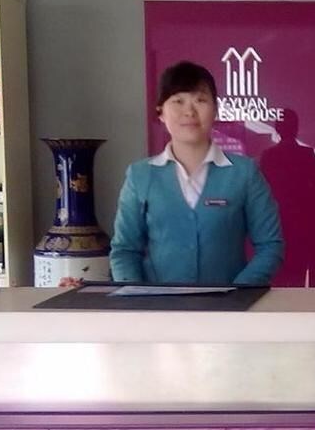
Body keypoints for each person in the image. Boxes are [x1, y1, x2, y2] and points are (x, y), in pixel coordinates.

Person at [110, 61, 284, 285]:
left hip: (231, 304)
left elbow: (270, 246)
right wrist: (135, 298)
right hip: (157, 306)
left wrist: (238, 294)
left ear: (216, 109)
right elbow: (124, 251)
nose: (189, 111)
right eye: (178, 101)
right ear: (160, 112)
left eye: (200, 100)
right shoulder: (140, 176)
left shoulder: (245, 173)